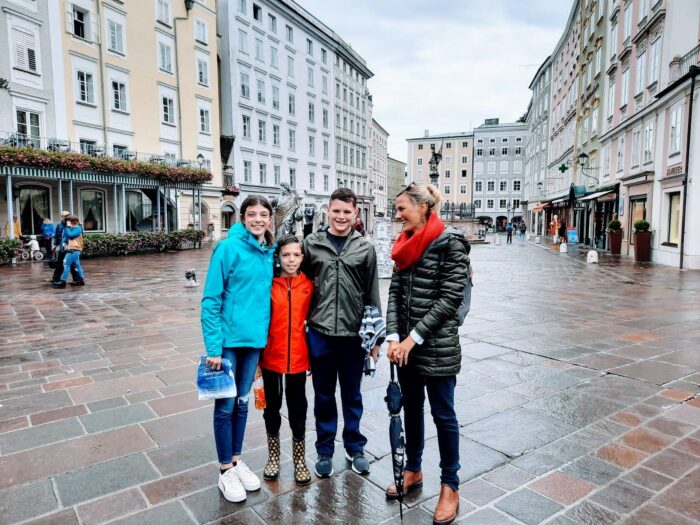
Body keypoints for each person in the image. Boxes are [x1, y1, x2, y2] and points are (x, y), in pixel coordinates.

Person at [385, 183, 469, 525]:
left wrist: (413, 338)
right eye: (396, 208)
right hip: (405, 348)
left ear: (423, 207)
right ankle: (414, 470)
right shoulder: (404, 243)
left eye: (402, 207)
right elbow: (393, 292)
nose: (397, 213)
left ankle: (450, 485)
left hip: (436, 346)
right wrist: (393, 337)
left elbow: (450, 298)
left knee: (443, 415)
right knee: (412, 410)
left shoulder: (450, 242)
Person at [201, 195, 276, 503]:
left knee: (243, 403)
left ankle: (235, 459)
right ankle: (224, 471)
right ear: (243, 217)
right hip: (229, 344)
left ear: (270, 219)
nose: (258, 219)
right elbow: (210, 300)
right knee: (225, 406)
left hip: (254, 342)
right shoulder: (228, 248)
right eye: (252, 214)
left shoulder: (268, 251)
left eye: (264, 214)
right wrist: (213, 348)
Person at [302, 188, 381, 478]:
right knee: (323, 395)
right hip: (320, 332)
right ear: (328, 210)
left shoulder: (365, 247)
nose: (341, 216)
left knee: (352, 394)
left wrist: (375, 339)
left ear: (355, 214)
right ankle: (324, 450)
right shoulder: (312, 244)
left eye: (347, 212)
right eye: (336, 211)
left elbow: (372, 293)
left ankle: (354, 445)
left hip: (353, 334)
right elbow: (301, 286)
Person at [260, 234, 313, 485]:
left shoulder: (309, 286)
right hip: (271, 356)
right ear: (278, 257)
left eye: (295, 254)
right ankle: (273, 456)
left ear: (302, 257)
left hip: (299, 358)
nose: (291, 259)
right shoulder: (269, 284)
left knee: (297, 407)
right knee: (272, 407)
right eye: (286, 255)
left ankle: (299, 459)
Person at [53, 215, 85, 288]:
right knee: (77, 264)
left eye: (68, 221)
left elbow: (70, 235)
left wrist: (67, 226)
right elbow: (65, 236)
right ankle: (80, 280)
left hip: (74, 249)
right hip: (73, 249)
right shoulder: (72, 228)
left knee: (66, 264)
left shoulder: (78, 228)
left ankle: (62, 281)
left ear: (72, 222)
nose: (67, 223)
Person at [49, 212, 80, 285]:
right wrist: (54, 245)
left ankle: (77, 279)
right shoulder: (59, 225)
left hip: (71, 247)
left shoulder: (73, 224)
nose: (64, 217)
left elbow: (75, 235)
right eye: (63, 216)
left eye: (66, 216)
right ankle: (56, 278)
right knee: (60, 263)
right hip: (62, 247)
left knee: (72, 264)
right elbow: (56, 236)